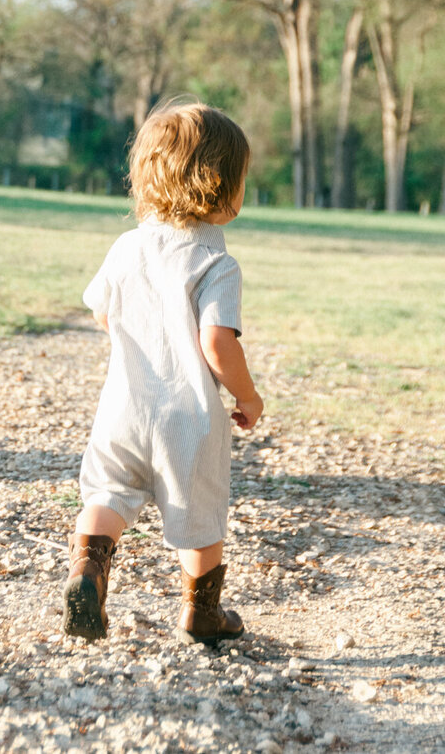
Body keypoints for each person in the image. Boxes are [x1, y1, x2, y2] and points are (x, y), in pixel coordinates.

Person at [62, 101, 264, 645]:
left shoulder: (127, 247)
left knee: (106, 495)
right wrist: (248, 397)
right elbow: (217, 342)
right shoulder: (216, 263)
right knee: (199, 515)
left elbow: (104, 311)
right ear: (222, 186)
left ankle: (89, 571)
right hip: (189, 418)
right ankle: (201, 614)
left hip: (122, 409)